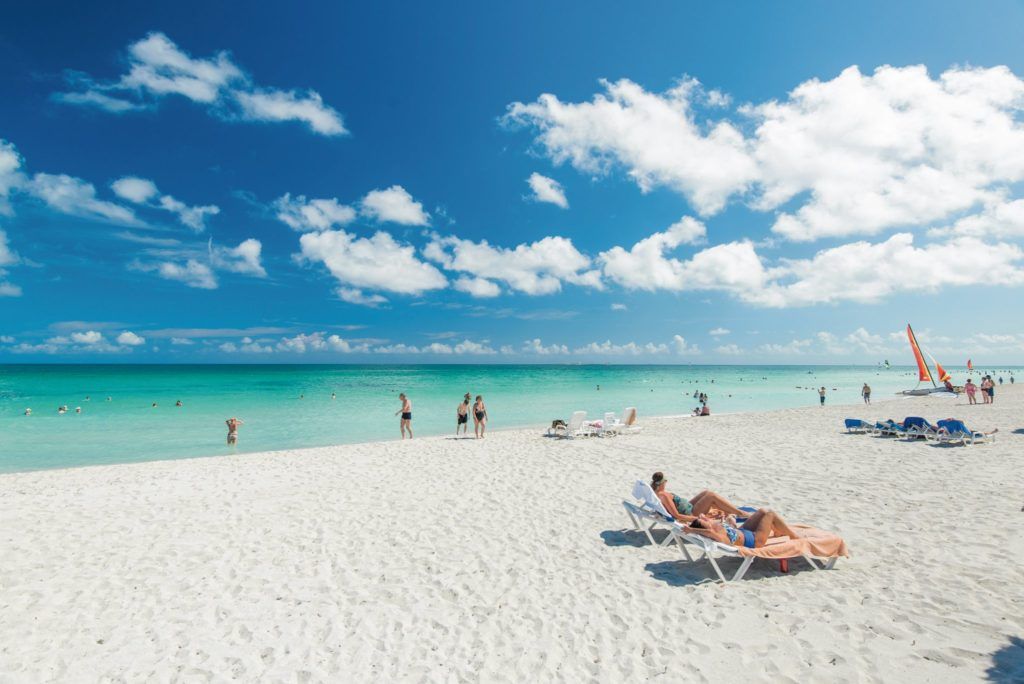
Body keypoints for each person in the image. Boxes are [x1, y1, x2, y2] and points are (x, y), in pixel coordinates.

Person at [685, 509, 801, 550]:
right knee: (770, 515)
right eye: (704, 521)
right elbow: (708, 532)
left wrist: (731, 522)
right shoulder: (716, 535)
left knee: (762, 512)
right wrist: (692, 530)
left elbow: (701, 517)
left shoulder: (715, 528)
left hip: (743, 530)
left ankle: (777, 531)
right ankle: (794, 536)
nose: (705, 519)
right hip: (755, 541)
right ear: (706, 528)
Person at [650, 472, 743, 522]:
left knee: (706, 492)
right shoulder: (663, 496)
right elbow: (676, 515)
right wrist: (699, 519)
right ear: (663, 482)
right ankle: (739, 513)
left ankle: (730, 511)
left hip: (688, 506)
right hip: (691, 513)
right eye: (666, 480)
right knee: (711, 496)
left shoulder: (656, 492)